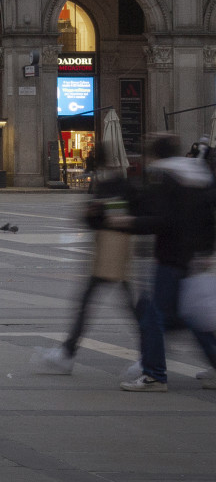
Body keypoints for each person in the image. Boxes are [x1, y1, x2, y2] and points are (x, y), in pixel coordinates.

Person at [109, 134, 216, 391]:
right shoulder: (197, 175)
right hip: (191, 257)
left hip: (170, 257)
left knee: (151, 315)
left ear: (154, 155)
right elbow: (208, 219)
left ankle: (154, 375)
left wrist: (130, 222)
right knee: (192, 316)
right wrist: (205, 251)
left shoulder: (165, 177)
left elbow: (163, 220)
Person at [30, 160, 141, 375]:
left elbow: (133, 217)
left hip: (116, 253)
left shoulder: (126, 188)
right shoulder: (109, 186)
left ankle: (67, 353)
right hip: (104, 252)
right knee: (95, 304)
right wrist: (92, 213)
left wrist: (105, 213)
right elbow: (91, 219)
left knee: (117, 306)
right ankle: (67, 353)